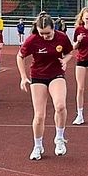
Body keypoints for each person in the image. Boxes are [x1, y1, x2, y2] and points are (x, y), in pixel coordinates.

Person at [16, 12, 74, 160]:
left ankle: (59, 138)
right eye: (42, 33)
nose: (45, 36)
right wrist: (23, 77)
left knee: (60, 106)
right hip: (38, 76)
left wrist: (65, 60)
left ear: (53, 28)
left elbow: (69, 53)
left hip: (56, 74)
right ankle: (37, 145)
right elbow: (20, 56)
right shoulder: (33, 39)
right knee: (39, 116)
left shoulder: (61, 37)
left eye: (48, 33)